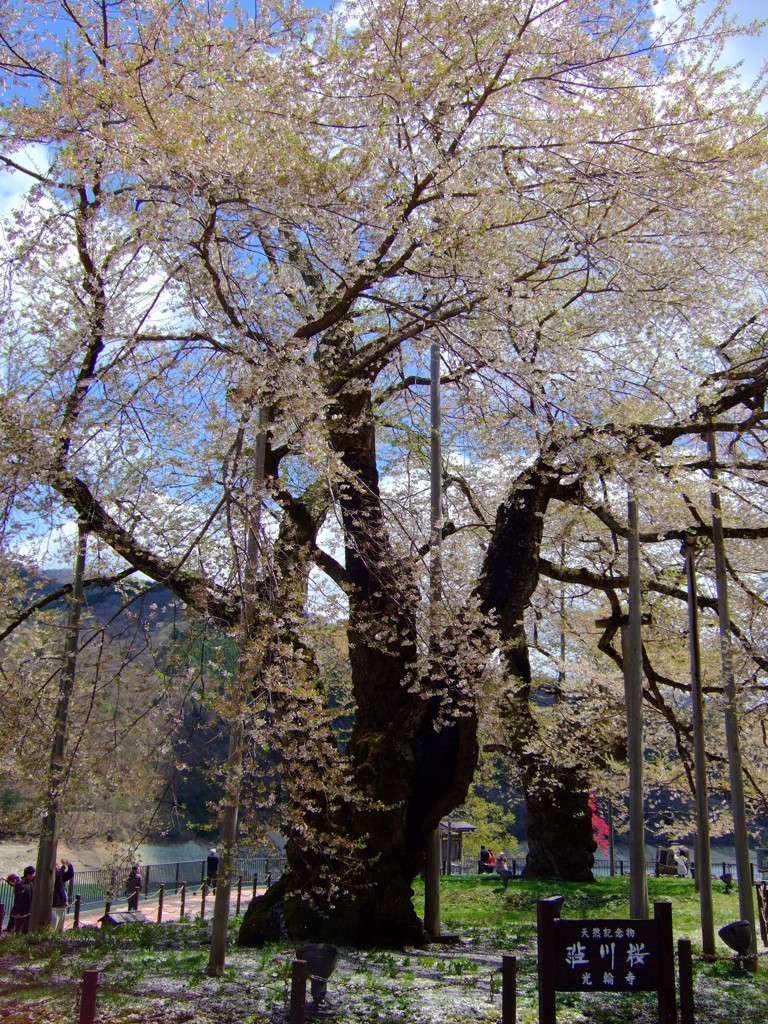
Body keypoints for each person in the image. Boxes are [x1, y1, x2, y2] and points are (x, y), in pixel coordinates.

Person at [7, 866, 35, 934]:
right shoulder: (20, 885)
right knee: (18, 930)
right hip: (21, 912)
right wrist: (17, 911)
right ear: (28, 874)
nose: (33, 876)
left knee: (26, 930)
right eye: (32, 874)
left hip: (29, 911)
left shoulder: (30, 883)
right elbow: (18, 899)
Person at [51, 858, 74, 931]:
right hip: (54, 906)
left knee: (60, 928)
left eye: (57, 865)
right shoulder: (52, 877)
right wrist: (63, 866)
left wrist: (69, 865)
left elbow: (70, 874)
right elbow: (57, 877)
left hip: (61, 905)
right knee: (52, 927)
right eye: (56, 866)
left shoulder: (60, 876)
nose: (57, 867)